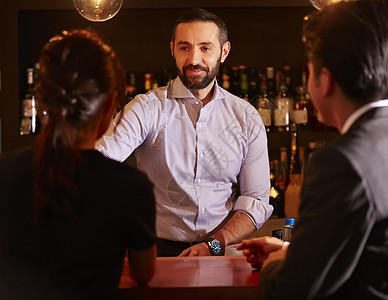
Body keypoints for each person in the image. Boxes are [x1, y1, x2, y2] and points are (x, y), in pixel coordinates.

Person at [237, 0, 388, 299]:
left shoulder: (342, 162)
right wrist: (293, 252)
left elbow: (293, 291)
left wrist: (274, 264)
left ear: (324, 80)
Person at [96, 8, 272, 257]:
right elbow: (99, 159)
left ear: (224, 51)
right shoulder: (147, 108)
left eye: (205, 48)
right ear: (172, 50)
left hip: (221, 249)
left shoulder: (246, 118)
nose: (194, 59)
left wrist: (214, 244)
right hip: (157, 252)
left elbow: (255, 202)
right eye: (184, 47)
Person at [0, 29, 157, 299]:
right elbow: (143, 273)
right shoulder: (130, 187)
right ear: (109, 104)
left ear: (41, 101)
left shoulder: (5, 172)